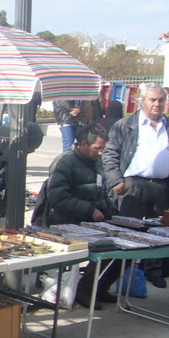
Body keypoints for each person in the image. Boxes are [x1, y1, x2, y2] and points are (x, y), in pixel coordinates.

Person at [101, 83, 169, 288]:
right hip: (133, 186)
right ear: (142, 101)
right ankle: (111, 276)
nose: (157, 104)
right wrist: (116, 181)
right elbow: (110, 154)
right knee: (126, 233)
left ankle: (153, 270)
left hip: (162, 186)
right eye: (152, 100)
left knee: (159, 232)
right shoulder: (125, 125)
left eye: (161, 100)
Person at [45, 124, 121, 309]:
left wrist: (113, 213)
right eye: (98, 148)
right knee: (105, 249)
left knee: (121, 250)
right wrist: (89, 210)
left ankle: (99, 288)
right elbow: (58, 198)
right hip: (68, 222)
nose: (101, 153)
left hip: (92, 221)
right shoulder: (65, 162)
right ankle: (84, 290)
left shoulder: (96, 163)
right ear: (84, 143)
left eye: (103, 149)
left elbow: (102, 193)